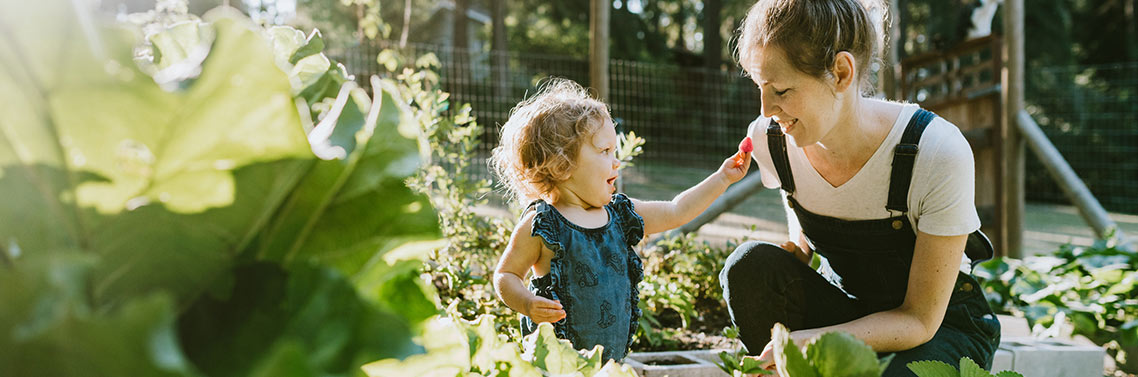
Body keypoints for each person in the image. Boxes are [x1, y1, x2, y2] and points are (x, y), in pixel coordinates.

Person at [719, 0, 1001, 375]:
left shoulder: (935, 151)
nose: (766, 108)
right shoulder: (773, 141)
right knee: (749, 266)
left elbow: (919, 320)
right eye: (760, 87)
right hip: (850, 309)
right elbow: (802, 226)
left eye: (781, 90)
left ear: (840, 72)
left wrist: (816, 340)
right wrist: (796, 252)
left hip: (935, 331)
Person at [490, 78, 751, 361]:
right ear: (561, 164)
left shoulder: (620, 215)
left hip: (611, 362)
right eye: (604, 151)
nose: (616, 162)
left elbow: (677, 211)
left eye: (615, 151)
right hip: (556, 364)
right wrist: (527, 303)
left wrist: (723, 177)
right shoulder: (542, 225)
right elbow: (506, 275)